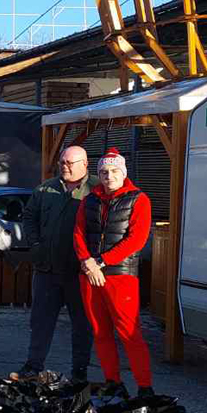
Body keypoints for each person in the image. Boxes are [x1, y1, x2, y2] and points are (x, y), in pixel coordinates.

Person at [10, 145, 95, 382]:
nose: (64, 167)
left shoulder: (96, 189)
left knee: (82, 324)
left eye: (70, 163)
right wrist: (35, 244)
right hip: (47, 269)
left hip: (79, 272)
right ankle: (33, 367)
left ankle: (79, 371)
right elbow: (29, 216)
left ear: (85, 164)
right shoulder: (45, 188)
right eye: (62, 162)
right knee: (40, 322)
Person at [73, 148, 154, 396]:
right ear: (98, 175)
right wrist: (87, 262)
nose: (109, 176)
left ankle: (144, 386)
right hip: (90, 274)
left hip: (121, 275)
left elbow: (136, 240)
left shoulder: (139, 199)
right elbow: (78, 233)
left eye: (114, 171)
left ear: (124, 172)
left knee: (129, 332)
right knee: (100, 332)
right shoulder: (89, 200)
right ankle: (113, 381)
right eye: (104, 172)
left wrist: (100, 261)